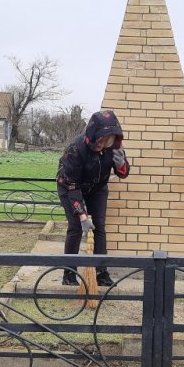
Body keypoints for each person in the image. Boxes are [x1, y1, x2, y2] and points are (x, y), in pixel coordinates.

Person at [56, 110, 130, 286]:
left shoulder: (113, 146)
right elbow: (72, 186)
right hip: (70, 186)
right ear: (92, 134)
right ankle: (69, 273)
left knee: (100, 227)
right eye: (98, 142)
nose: (100, 146)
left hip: (97, 188)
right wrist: (82, 215)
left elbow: (124, 174)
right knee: (75, 227)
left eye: (105, 143)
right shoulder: (75, 149)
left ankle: (101, 272)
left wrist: (121, 165)